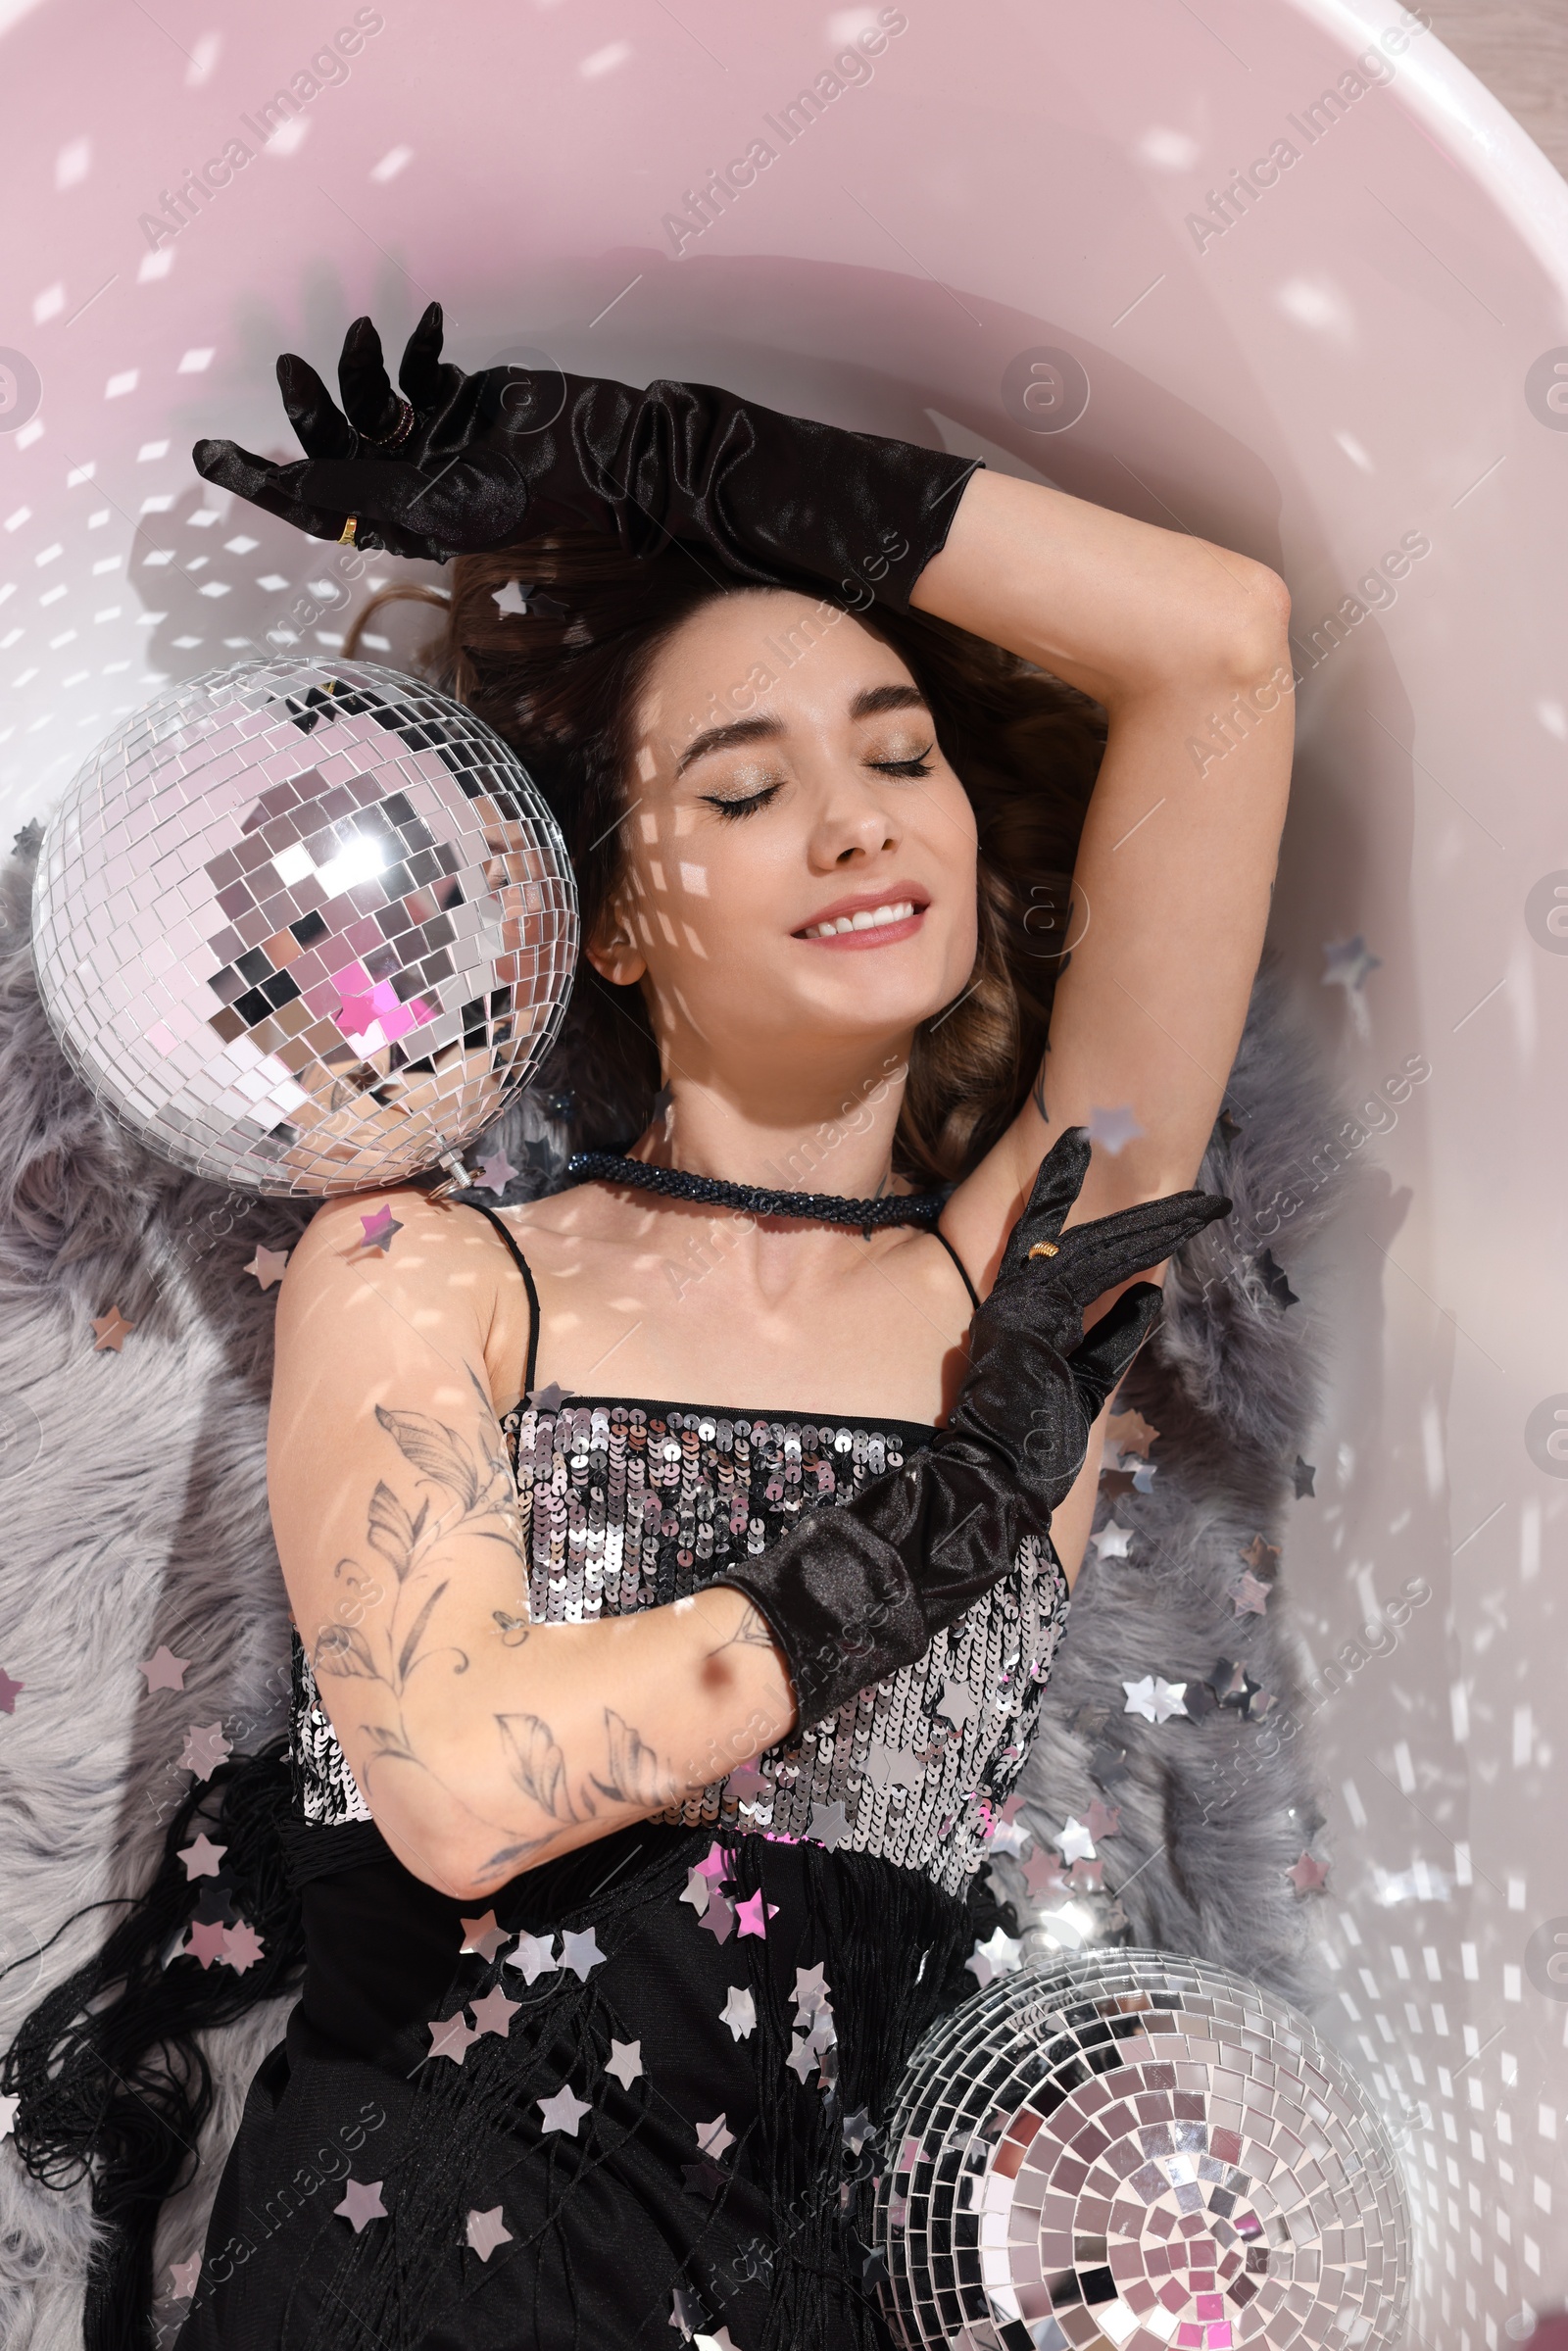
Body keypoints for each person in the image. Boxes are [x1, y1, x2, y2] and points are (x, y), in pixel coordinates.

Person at [17, 309, 1293, 2351]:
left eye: (897, 756)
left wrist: (651, 456)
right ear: (612, 914)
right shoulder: (429, 1268)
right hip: (410, 2270)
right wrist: (939, 1516)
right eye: (745, 785)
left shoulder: (1030, 1278)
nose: (862, 819)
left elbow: (1215, 644)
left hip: (830, 2286)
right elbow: (454, 1787)